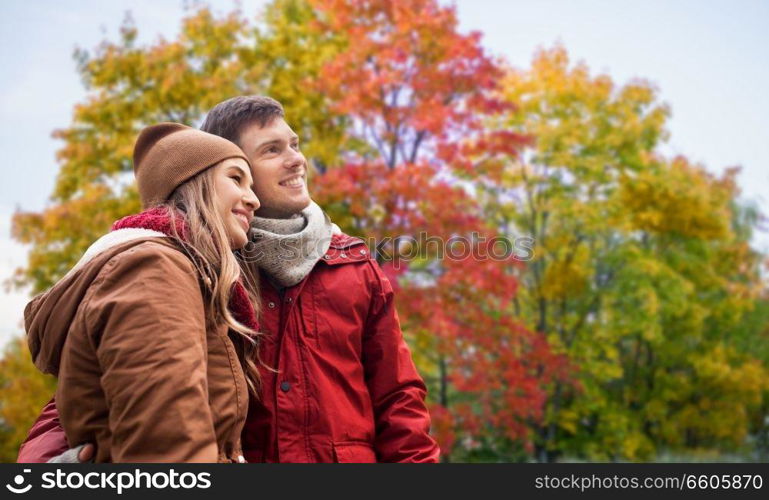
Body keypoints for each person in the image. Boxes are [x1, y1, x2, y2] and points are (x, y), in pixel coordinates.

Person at [19, 96, 440, 463]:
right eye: (272, 150)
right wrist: (45, 462)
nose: (296, 159)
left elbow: (398, 397)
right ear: (226, 169)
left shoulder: (352, 264)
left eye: (294, 144)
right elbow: (120, 377)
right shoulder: (197, 265)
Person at [21, 123, 261, 462]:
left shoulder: (176, 271)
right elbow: (167, 446)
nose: (254, 199)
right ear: (192, 185)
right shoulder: (155, 268)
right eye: (236, 178)